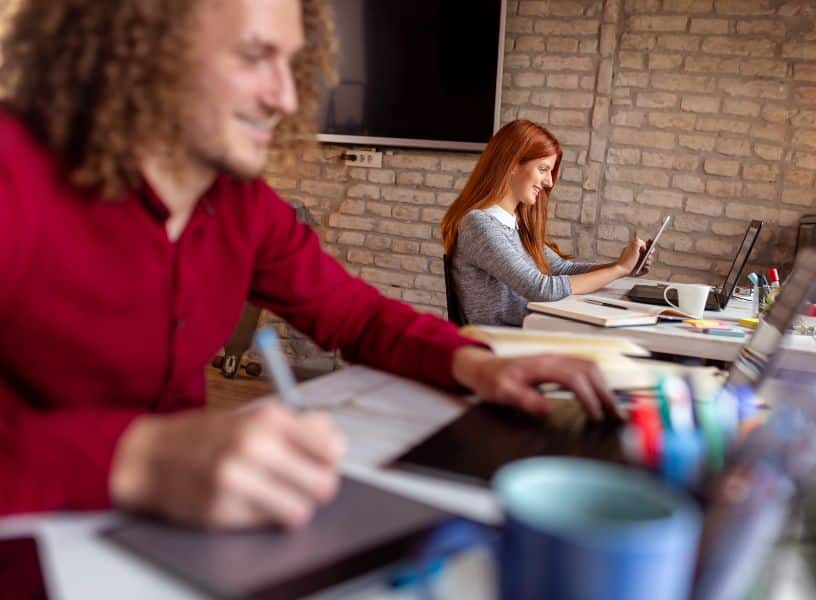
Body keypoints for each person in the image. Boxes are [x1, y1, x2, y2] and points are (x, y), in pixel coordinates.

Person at [0, 0, 622, 529]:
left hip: (168, 538)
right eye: (253, 56)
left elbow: (356, 317)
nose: (287, 96)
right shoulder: (15, 174)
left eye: (292, 63)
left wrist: (475, 366)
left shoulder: (240, 205)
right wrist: (136, 460)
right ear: (137, 50)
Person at [441, 120, 654, 327]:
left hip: (529, 333)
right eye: (543, 169)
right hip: (504, 344)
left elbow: (562, 269)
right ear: (512, 164)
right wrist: (618, 269)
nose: (549, 182)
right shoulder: (479, 225)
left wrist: (625, 267)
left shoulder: (514, 224)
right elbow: (541, 288)